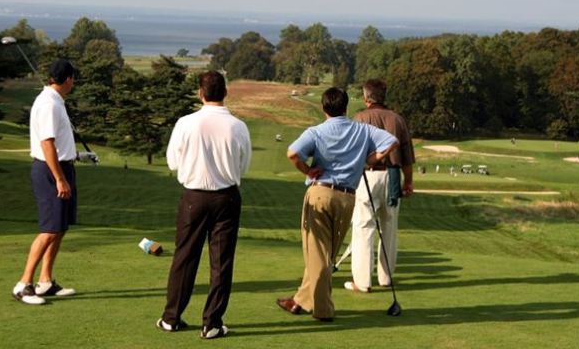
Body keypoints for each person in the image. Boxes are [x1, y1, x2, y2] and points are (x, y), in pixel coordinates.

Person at [276, 87, 398, 322]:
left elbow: (293, 153)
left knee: (319, 254)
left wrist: (309, 171)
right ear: (346, 108)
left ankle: (323, 310)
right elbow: (391, 141)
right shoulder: (362, 130)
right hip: (347, 198)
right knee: (324, 253)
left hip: (320, 193)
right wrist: (369, 160)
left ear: (324, 108)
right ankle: (300, 301)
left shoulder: (317, 131)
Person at [157, 71, 251, 340]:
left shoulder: (185, 123)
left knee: (185, 257)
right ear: (225, 92)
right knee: (220, 263)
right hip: (227, 197)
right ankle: (211, 323)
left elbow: (173, 162)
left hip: (193, 198)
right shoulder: (238, 126)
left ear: (201, 93)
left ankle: (171, 318)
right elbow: (243, 167)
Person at [12, 59, 79, 305]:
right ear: (69, 79)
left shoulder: (54, 101)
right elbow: (47, 143)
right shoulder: (49, 104)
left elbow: (57, 142)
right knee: (50, 229)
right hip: (51, 172)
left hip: (61, 168)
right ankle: (23, 284)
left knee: (59, 228)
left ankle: (45, 282)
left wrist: (77, 156)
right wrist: (60, 179)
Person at [344, 78, 415, 293]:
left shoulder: (359, 118)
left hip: (368, 175)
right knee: (389, 227)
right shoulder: (398, 119)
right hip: (393, 176)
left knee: (363, 226)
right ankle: (386, 278)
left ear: (366, 98)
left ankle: (363, 282)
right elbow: (407, 156)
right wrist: (409, 181)